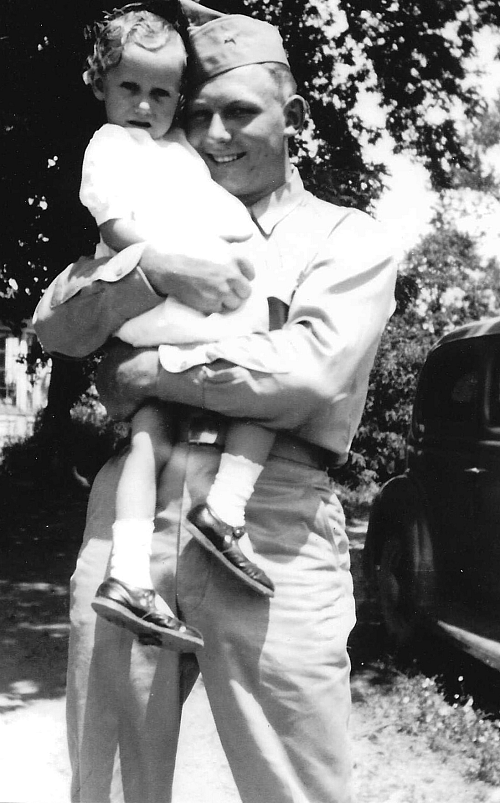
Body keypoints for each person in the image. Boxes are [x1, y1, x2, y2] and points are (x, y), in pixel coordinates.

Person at [34, 10, 397, 803]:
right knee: (110, 780)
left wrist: (150, 370)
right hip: (133, 522)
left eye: (239, 112)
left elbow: (304, 372)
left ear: (294, 116)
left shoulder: (346, 237)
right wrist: (153, 272)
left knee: (294, 783)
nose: (215, 134)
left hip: (271, 518)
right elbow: (55, 321)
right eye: (197, 114)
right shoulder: (155, 207)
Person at [78, 2, 276, 652]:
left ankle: (129, 574)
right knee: (266, 370)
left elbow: (215, 211)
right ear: (100, 85)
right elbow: (114, 225)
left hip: (160, 316)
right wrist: (178, 266)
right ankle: (226, 508)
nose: (143, 105)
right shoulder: (110, 145)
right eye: (129, 88)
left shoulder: (178, 153)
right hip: (159, 295)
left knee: (150, 436)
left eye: (161, 93)